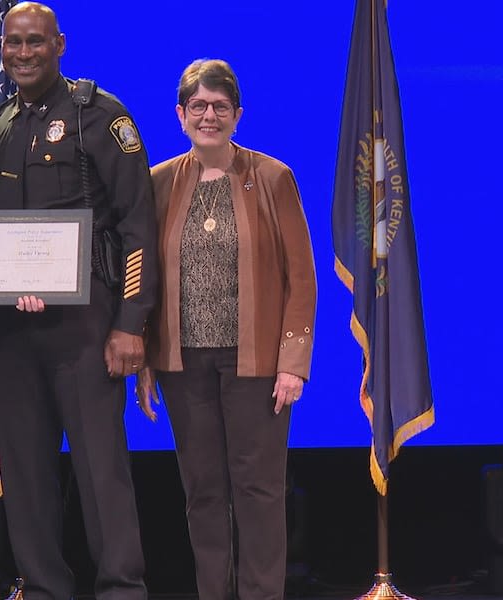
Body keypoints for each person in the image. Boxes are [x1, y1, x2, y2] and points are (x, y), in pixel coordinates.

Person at [0, 3, 158, 599]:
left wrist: (131, 323)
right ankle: (45, 590)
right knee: (26, 475)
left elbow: (138, 226)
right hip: (13, 335)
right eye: (13, 44)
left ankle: (122, 591)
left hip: (86, 329)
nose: (22, 53)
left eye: (35, 42)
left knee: (101, 473)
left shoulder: (99, 117)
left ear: (59, 44)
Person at [136, 59, 317, 600]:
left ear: (238, 114)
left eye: (219, 106)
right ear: (180, 114)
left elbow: (301, 278)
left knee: (259, 491)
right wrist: (145, 355)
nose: (208, 115)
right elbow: (144, 274)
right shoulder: (159, 181)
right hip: (182, 363)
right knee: (203, 493)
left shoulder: (273, 177)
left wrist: (293, 363)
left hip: (256, 364)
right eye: (198, 106)